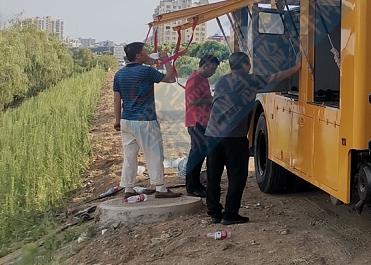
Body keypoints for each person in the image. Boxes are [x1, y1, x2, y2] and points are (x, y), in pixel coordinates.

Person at [204, 52, 300, 224]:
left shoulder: (221, 81)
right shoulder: (250, 80)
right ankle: (230, 214)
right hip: (234, 138)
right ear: (245, 65)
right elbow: (275, 77)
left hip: (212, 135)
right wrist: (297, 67)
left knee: (214, 176)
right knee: (237, 177)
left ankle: (214, 213)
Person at [113, 42, 181, 198]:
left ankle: (128, 188)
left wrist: (117, 120)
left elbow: (117, 99)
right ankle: (160, 188)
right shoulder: (146, 71)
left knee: (130, 155)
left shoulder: (119, 74)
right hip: (145, 120)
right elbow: (170, 79)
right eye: (145, 51)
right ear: (138, 56)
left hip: (126, 120)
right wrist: (166, 61)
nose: (148, 53)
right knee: (154, 153)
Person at [184, 54, 220, 198]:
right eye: (212, 68)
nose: (214, 72)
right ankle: (191, 187)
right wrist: (211, 100)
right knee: (196, 154)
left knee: (200, 154)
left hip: (203, 121)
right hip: (196, 121)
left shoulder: (203, 79)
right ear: (205, 66)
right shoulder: (194, 80)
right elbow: (192, 101)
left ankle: (196, 184)